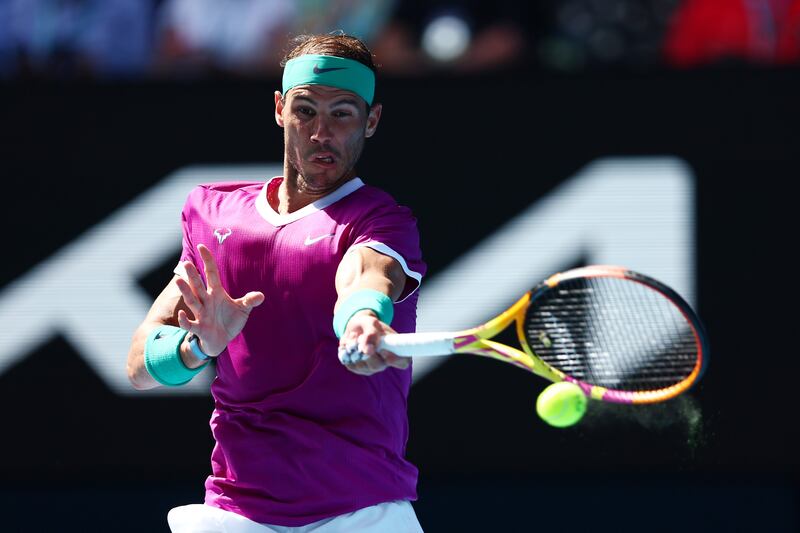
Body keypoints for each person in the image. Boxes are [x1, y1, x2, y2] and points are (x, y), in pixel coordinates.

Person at [126, 32, 426, 532]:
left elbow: (365, 275)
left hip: (363, 513)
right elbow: (139, 365)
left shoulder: (380, 220)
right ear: (279, 109)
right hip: (236, 511)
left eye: (343, 113)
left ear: (371, 120)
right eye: (306, 111)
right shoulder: (213, 211)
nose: (321, 132)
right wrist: (197, 347)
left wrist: (363, 319)